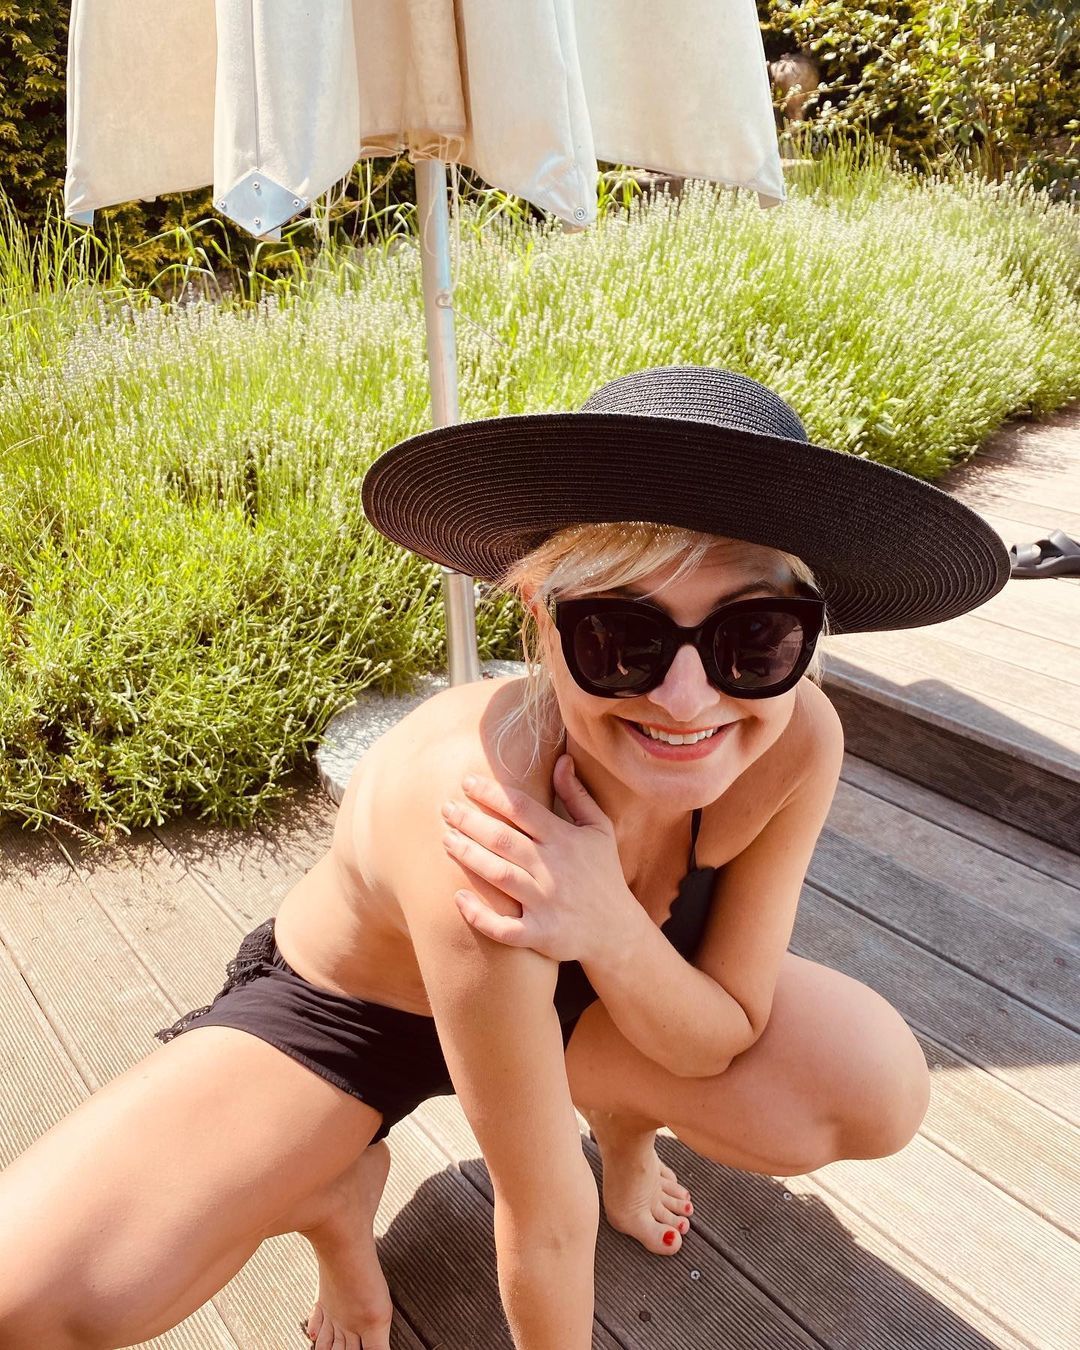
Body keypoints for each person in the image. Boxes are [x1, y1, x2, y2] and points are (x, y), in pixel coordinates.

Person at [0, 366, 1009, 1350]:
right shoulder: (480, 814)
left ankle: (624, 1131)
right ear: (543, 620)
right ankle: (333, 1197)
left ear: (811, 632)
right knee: (29, 1302)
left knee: (869, 1085)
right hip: (365, 1020)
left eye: (756, 637)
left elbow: (720, 1033)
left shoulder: (796, 743)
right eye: (620, 637)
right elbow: (544, 1211)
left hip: (587, 995)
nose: (687, 700)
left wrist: (609, 923)